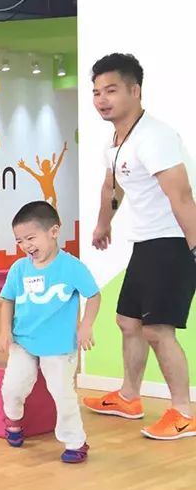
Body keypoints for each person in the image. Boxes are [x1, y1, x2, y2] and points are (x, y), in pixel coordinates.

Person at [83, 53, 196, 440]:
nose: (102, 99)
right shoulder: (117, 140)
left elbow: (182, 196)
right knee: (128, 322)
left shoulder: (155, 137)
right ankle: (129, 397)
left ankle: (183, 412)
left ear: (135, 90)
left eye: (111, 90)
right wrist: (103, 224)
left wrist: (194, 248)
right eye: (97, 92)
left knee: (158, 330)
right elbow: (111, 185)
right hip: (147, 243)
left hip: (174, 242)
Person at [0, 201, 101, 463]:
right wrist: (5, 330)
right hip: (23, 341)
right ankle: (13, 419)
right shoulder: (19, 269)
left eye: (31, 238)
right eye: (20, 241)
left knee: (63, 393)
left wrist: (86, 324)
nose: (26, 245)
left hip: (59, 344)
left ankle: (75, 442)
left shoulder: (72, 267)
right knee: (13, 386)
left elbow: (94, 295)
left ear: (53, 232)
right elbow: (8, 299)